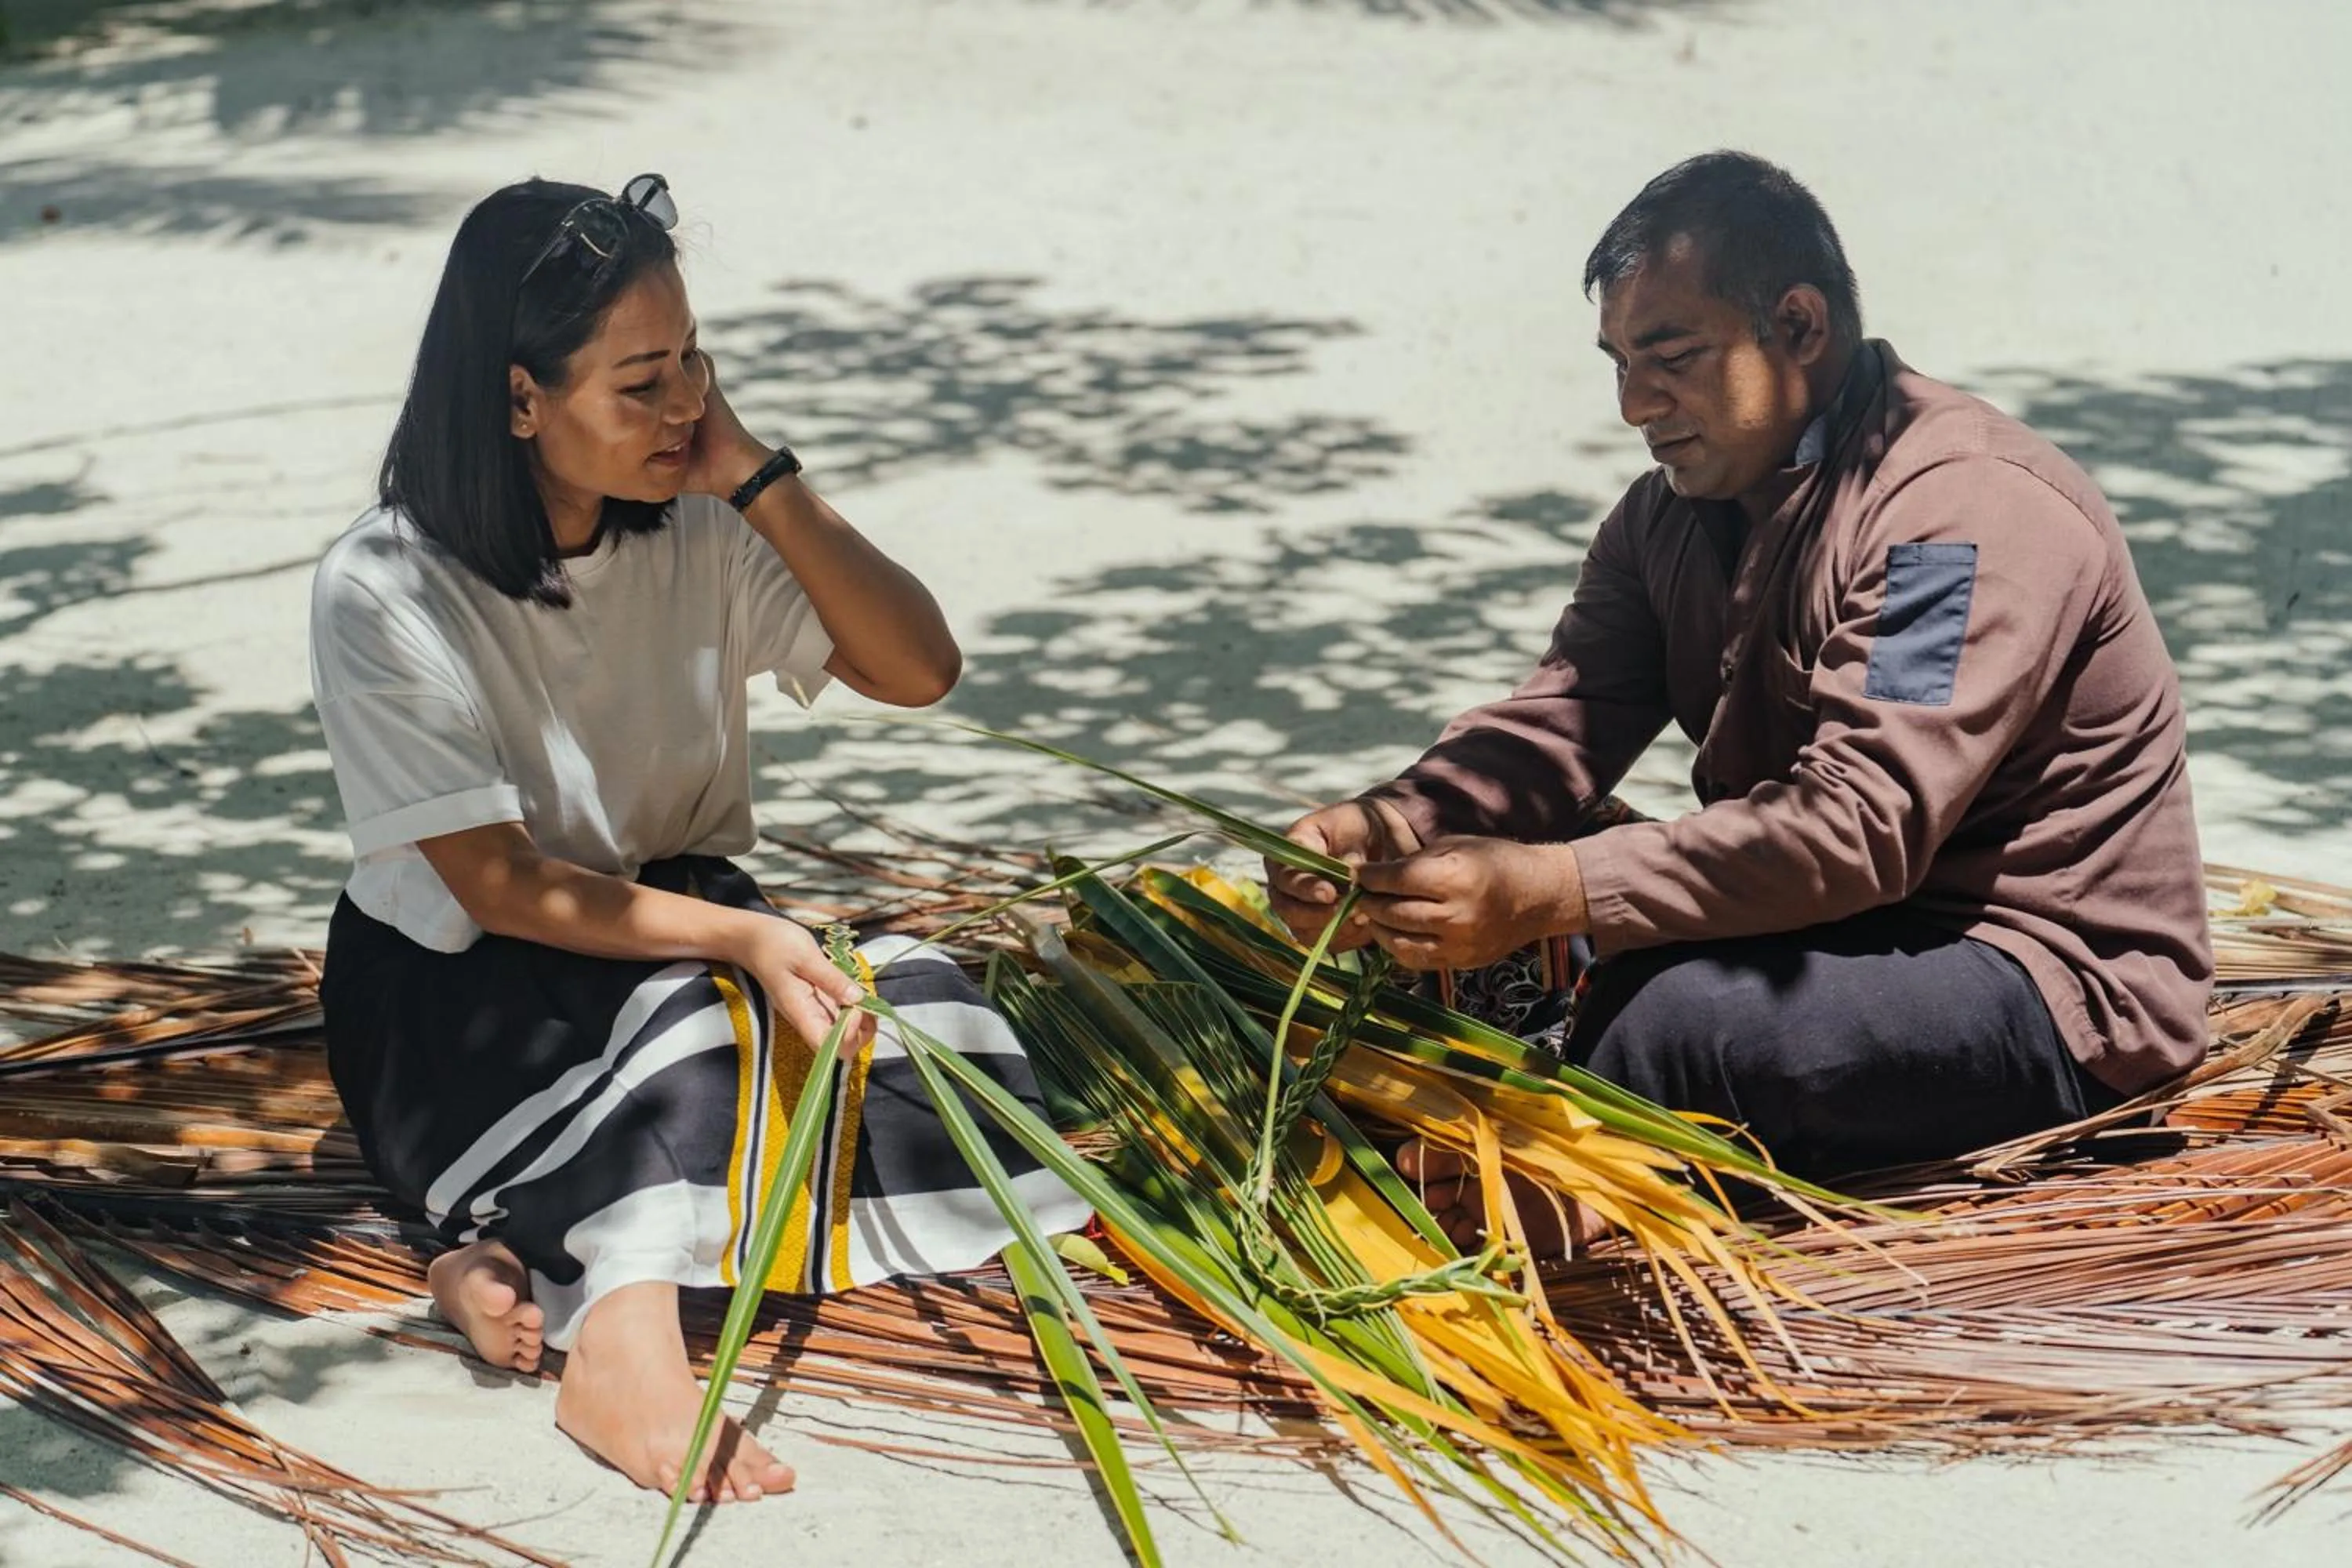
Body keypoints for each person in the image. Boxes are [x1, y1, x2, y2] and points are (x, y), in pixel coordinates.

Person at [310, 175, 1087, 1503]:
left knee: (922, 1023)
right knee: (699, 1047)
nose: (684, 411)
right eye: (641, 384)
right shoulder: (385, 587)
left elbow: (918, 667)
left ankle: (487, 1241)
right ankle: (622, 1328)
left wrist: (760, 476)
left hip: (679, 923)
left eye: (693, 369)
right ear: (518, 399)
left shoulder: (705, 524)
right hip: (464, 977)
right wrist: (746, 933)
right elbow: (494, 883)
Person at [1269, 152, 2213, 1229]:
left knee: (1676, 1026)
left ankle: (1541, 1211)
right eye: (1618, 362)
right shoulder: (1666, 513)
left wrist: (1551, 889)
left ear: (1800, 327)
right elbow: (1558, 725)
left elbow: (1857, 831)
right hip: (1835, 926)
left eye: (1669, 357)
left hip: (2036, 980)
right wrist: (1391, 823)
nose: (1633, 404)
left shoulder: (1959, 521)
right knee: (1446, 948)